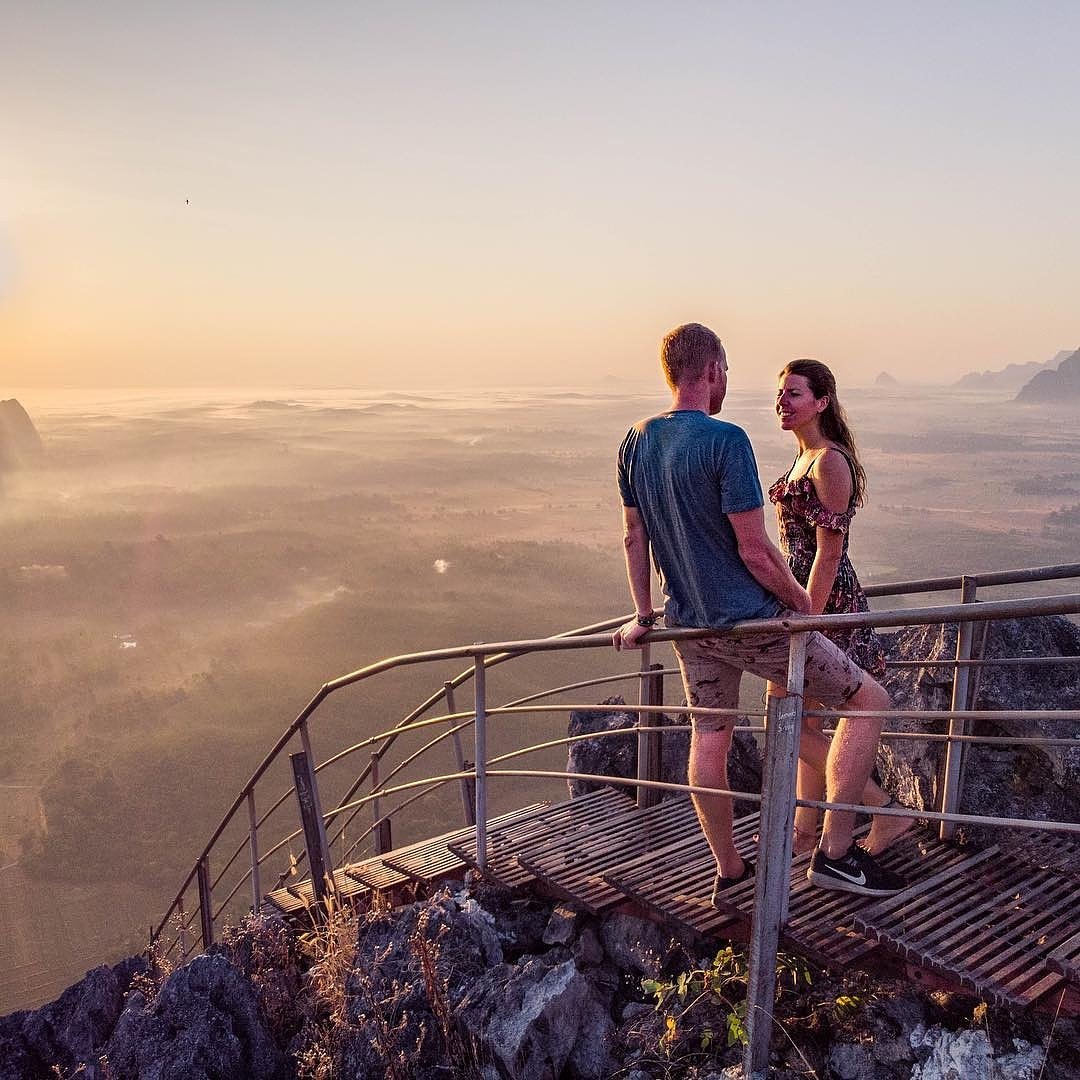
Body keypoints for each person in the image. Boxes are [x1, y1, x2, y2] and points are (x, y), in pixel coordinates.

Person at [613, 323, 905, 899]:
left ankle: (730, 870)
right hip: (753, 619)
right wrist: (801, 607)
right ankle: (839, 853)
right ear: (713, 370)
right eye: (726, 370)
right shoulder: (725, 441)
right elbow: (754, 547)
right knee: (868, 700)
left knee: (712, 736)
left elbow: (633, 538)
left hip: (689, 622)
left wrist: (644, 615)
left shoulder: (635, 441)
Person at [769, 358, 910, 857]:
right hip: (804, 600)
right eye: (781, 392)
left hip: (824, 605)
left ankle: (882, 808)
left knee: (784, 714)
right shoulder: (804, 458)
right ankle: (808, 834)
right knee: (802, 723)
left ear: (822, 402)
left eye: (794, 394)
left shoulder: (829, 461)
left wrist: (809, 619)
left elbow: (830, 553)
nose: (782, 401)